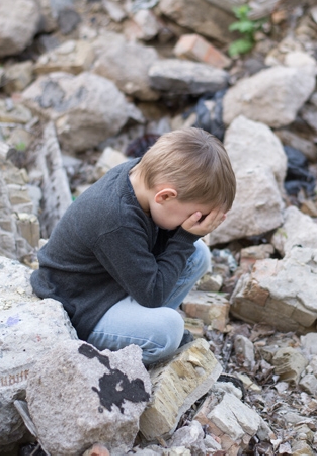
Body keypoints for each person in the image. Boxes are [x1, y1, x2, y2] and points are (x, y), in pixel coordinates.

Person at [30, 127, 236, 365]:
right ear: (165, 196)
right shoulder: (115, 219)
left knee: (198, 255)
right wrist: (185, 237)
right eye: (194, 215)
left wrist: (187, 236)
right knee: (168, 330)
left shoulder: (142, 177)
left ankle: (139, 324)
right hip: (80, 307)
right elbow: (153, 295)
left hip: (109, 284)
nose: (194, 222)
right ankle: (116, 354)